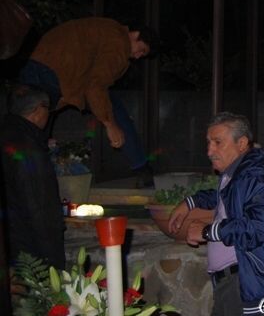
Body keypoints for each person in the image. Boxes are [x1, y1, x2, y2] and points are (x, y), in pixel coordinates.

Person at [168, 112, 264, 316]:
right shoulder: (239, 173)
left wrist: (207, 231)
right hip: (231, 286)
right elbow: (226, 196)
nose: (210, 150)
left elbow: (259, 225)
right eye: (208, 143)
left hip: (244, 285)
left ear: (241, 144)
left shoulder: (256, 173)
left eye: (217, 142)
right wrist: (192, 201)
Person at [18, 17, 158, 186]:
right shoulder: (119, 43)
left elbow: (91, 78)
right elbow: (96, 85)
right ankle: (142, 170)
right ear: (135, 35)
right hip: (50, 72)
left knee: (31, 130)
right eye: (141, 50)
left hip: (40, 65)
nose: (137, 56)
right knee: (113, 110)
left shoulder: (108, 30)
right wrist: (109, 124)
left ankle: (28, 180)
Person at [0, 84, 64, 269]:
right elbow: (40, 207)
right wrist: (52, 263)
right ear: (37, 111)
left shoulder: (7, 135)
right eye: (48, 109)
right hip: (29, 249)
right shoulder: (28, 148)